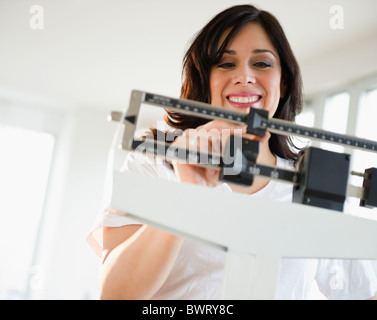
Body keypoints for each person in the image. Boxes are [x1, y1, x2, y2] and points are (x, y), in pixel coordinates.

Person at [87, 4, 377, 300]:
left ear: (284, 80)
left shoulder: (318, 185)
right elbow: (115, 294)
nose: (245, 76)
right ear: (205, 79)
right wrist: (185, 195)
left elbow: (364, 292)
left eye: (262, 64)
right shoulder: (158, 158)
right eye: (226, 64)